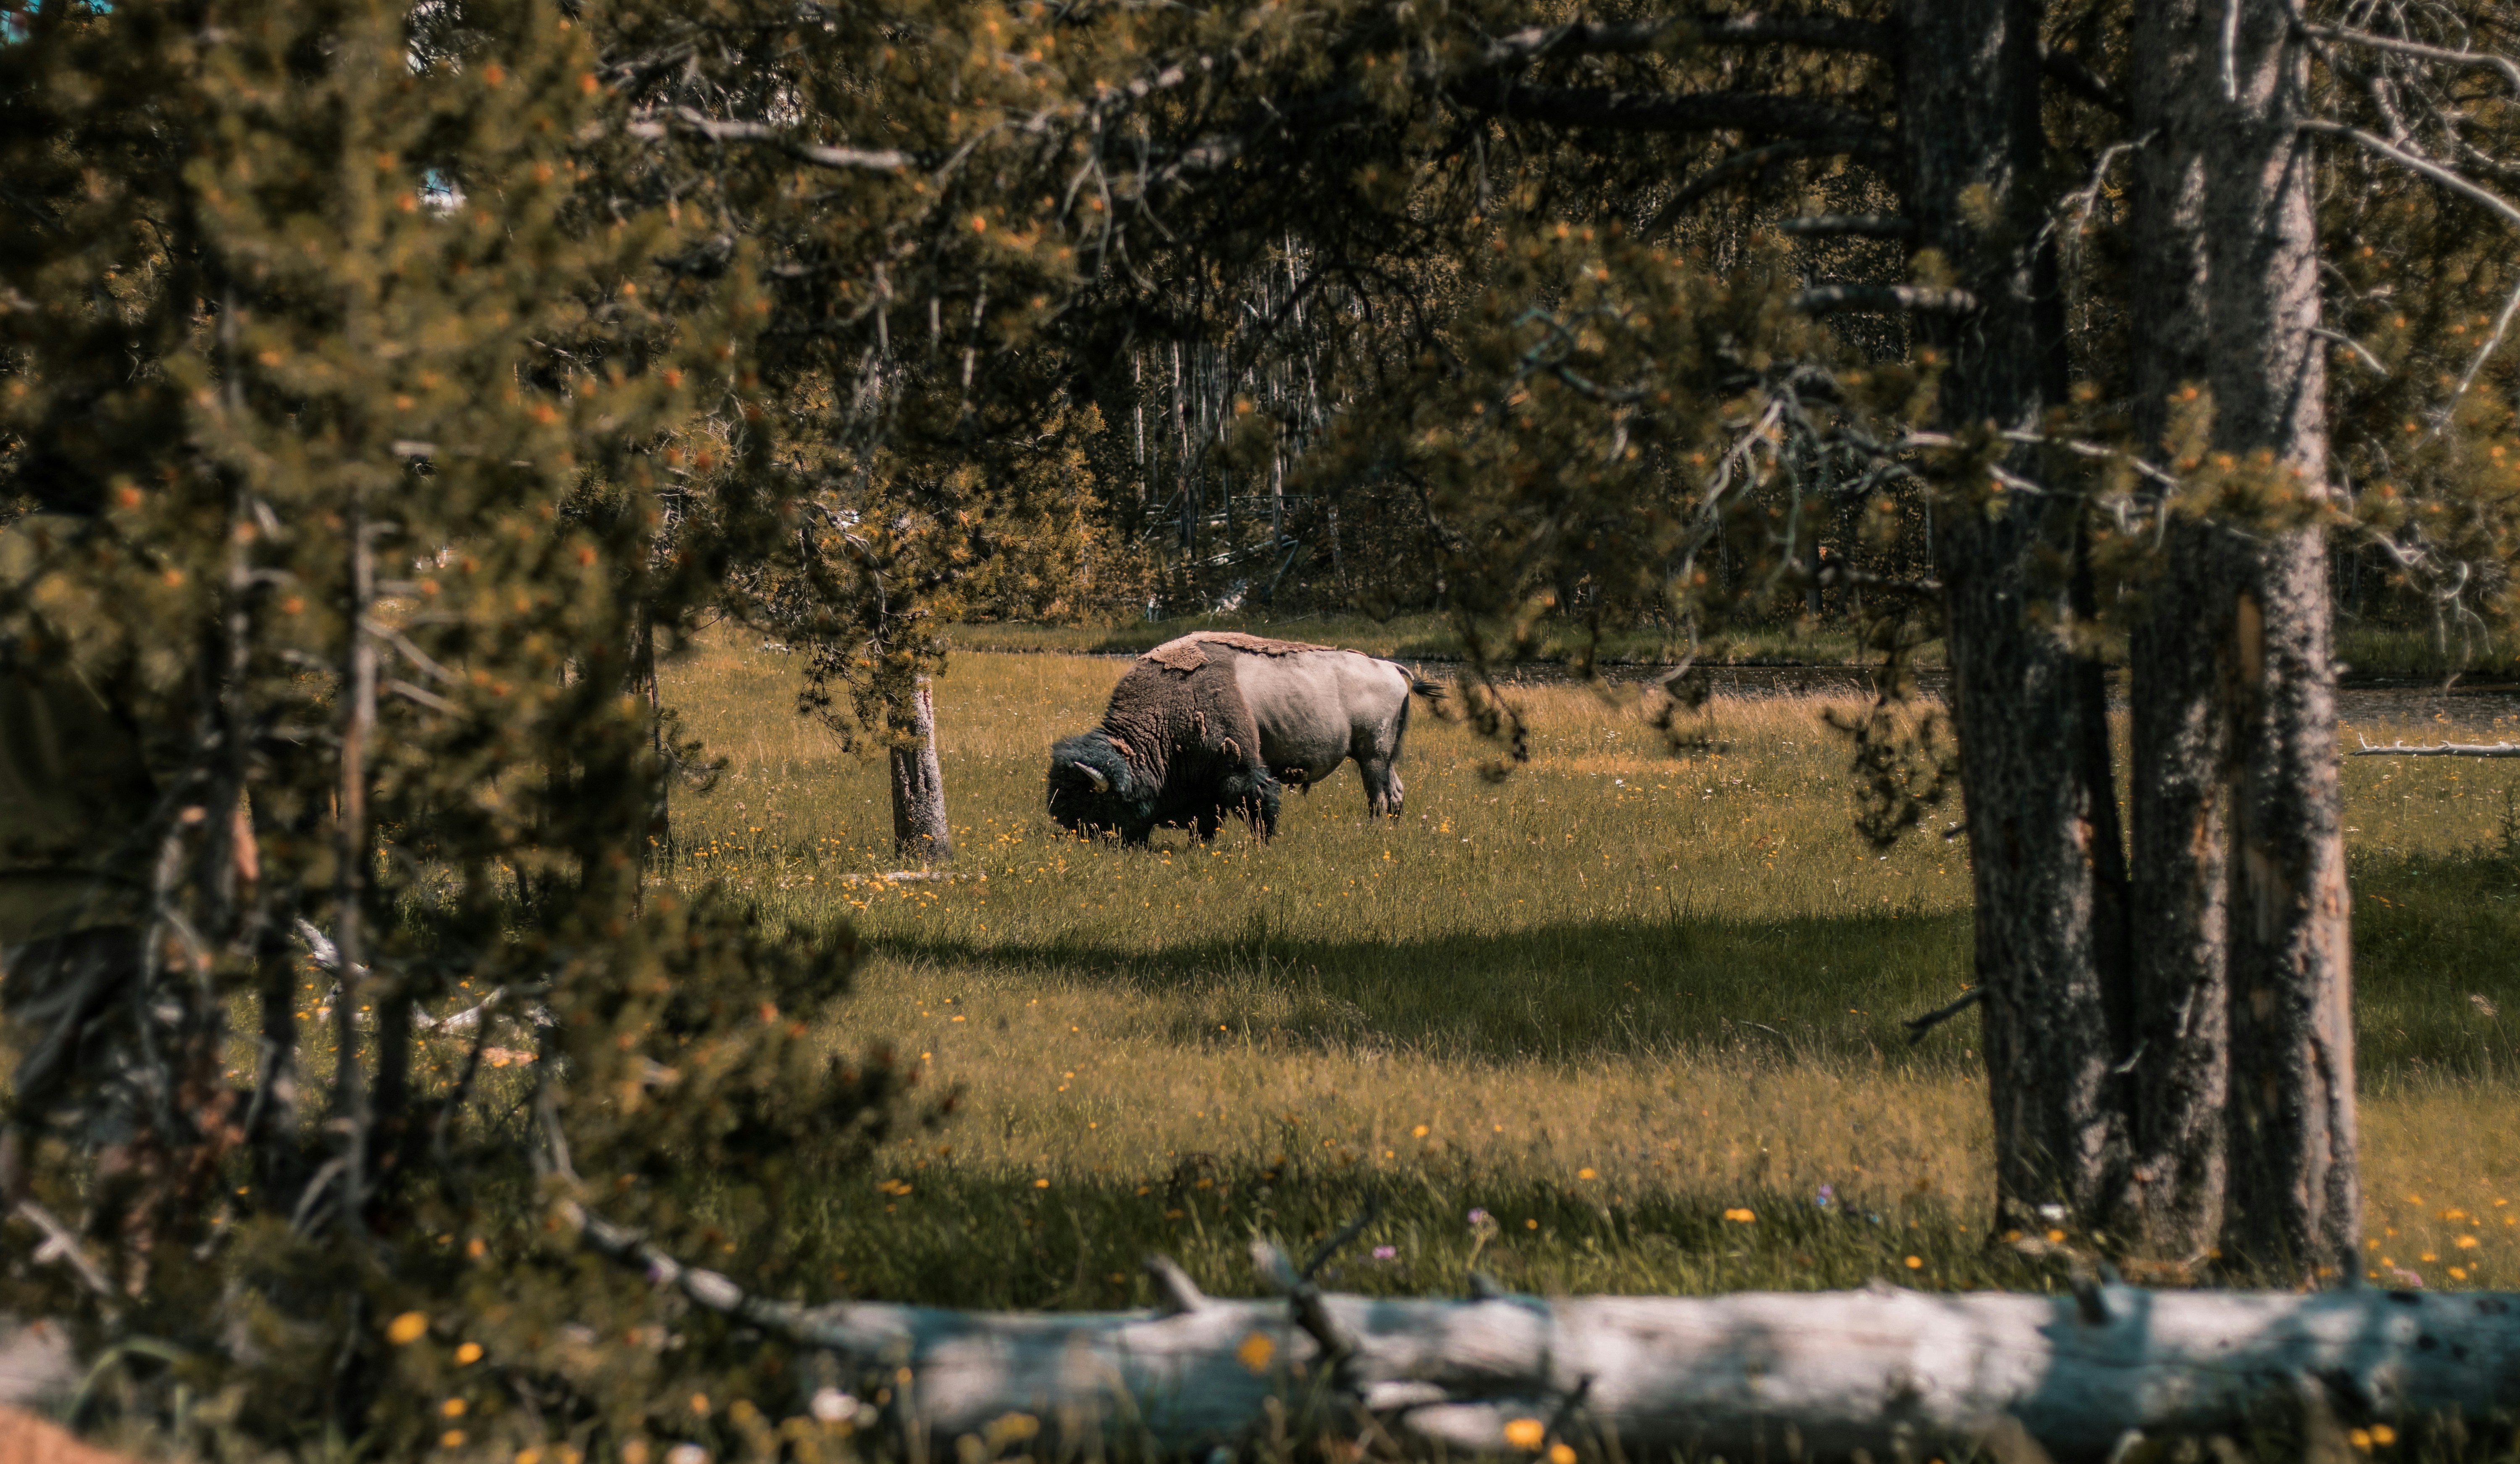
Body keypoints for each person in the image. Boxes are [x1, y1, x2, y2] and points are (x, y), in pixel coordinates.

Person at [0, 498, 181, 1230]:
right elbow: (181, 744)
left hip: (21, 894)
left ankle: (17, 1307)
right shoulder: (135, 573)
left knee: (28, 1109)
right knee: (137, 1112)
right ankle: (128, 1303)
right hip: (136, 886)